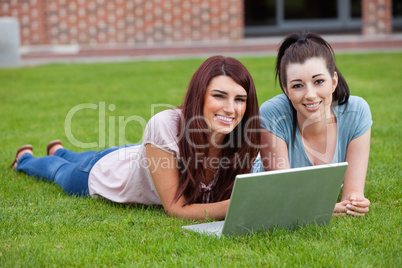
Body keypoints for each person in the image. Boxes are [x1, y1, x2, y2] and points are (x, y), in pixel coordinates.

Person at [10, 55, 260, 220]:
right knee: (61, 171)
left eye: (240, 99)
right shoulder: (165, 125)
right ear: (200, 95)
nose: (231, 108)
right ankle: (25, 159)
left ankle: (59, 149)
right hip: (105, 173)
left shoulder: (245, 137)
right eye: (219, 96)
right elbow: (175, 209)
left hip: (136, 155)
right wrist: (237, 206)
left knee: (81, 156)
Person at [252, 32, 372, 217]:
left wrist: (355, 202)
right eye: (297, 85)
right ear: (286, 90)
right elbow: (282, 197)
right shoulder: (272, 113)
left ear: (333, 82)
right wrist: (321, 210)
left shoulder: (356, 112)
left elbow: (352, 196)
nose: (310, 94)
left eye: (319, 82)